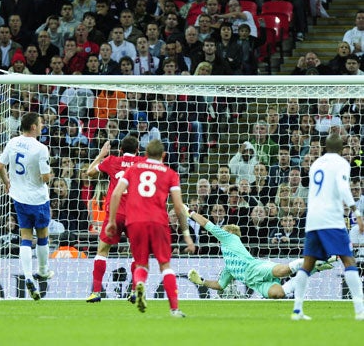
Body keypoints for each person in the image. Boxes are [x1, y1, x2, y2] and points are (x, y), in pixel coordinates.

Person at [106, 139, 195, 315]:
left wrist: (111, 221)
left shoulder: (133, 169)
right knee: (165, 265)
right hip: (158, 222)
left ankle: (139, 284)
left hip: (135, 222)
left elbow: (116, 193)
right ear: (164, 155)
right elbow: (178, 207)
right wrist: (186, 234)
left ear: (145, 154)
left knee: (141, 263)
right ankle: (174, 309)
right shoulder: (170, 174)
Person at [291, 133, 364, 321]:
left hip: (313, 219)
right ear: (341, 150)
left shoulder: (316, 164)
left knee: (307, 264)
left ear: (324, 147)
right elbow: (342, 187)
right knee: (349, 261)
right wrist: (356, 212)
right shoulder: (341, 164)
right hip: (331, 219)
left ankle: (297, 309)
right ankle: (360, 310)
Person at [186, 207, 335, 298]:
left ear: (230, 232)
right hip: (254, 283)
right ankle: (314, 267)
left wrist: (189, 212)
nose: (220, 233)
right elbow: (220, 285)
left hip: (255, 267)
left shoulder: (230, 238)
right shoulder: (229, 267)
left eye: (223, 230)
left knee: (282, 271)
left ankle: (317, 259)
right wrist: (202, 281)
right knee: (278, 294)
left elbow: (207, 225)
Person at [0, 112, 54, 300]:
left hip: (18, 197)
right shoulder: (41, 148)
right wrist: (47, 174)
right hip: (37, 198)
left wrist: (7, 182)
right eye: (40, 123)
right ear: (34, 127)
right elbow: (45, 178)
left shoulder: (13, 142)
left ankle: (28, 276)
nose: (42, 125)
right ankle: (43, 271)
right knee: (43, 235)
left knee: (25, 237)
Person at [84, 136, 145, 303]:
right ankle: (134, 292)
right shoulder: (143, 162)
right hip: (136, 214)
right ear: (137, 150)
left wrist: (101, 155)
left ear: (120, 150)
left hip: (115, 213)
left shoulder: (111, 160)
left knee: (102, 251)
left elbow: (89, 173)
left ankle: (96, 292)